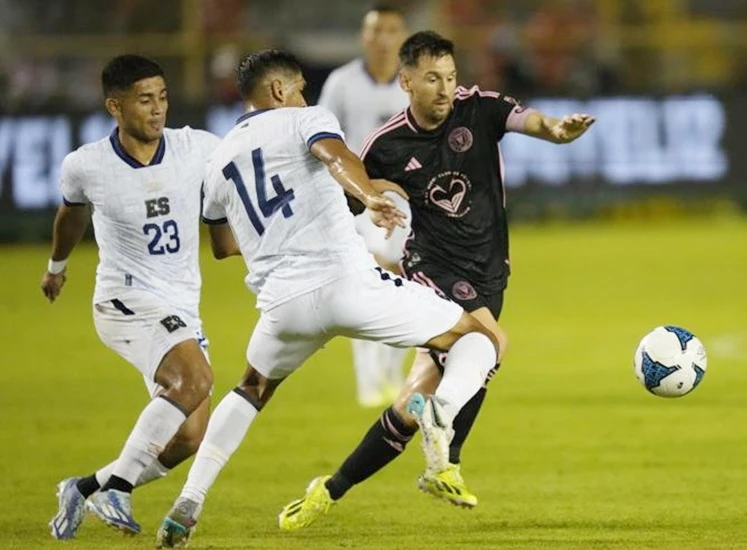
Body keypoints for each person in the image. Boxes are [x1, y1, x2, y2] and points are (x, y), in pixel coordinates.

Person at [154, 49, 500, 548]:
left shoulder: (218, 161)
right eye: (297, 89)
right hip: (348, 284)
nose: (303, 97)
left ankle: (189, 502)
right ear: (279, 91)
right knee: (477, 339)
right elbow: (334, 156)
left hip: (282, 306)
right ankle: (441, 411)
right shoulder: (305, 119)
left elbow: (223, 247)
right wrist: (368, 195)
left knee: (250, 389)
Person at [278, 30, 595, 529]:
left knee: (413, 401)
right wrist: (375, 197)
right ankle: (446, 460)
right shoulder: (385, 144)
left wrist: (557, 129)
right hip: (434, 266)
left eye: (450, 76)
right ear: (407, 82)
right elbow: (347, 195)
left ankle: (328, 490)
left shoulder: (478, 107)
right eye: (433, 78)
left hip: (490, 269)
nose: (446, 88)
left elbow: (529, 119)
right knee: (488, 342)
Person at [42, 54, 238, 539]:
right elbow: (72, 218)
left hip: (180, 306)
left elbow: (244, 165)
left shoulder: (197, 148)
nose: (158, 109)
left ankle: (85, 487)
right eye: (145, 99)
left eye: (163, 97)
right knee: (195, 379)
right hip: (124, 300)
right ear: (115, 105)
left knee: (190, 436)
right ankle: (120, 487)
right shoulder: (86, 165)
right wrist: (56, 267)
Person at [318, 3, 411, 407]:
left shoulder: (412, 84)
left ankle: (391, 375)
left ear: (402, 37)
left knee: (409, 288)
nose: (384, 38)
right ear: (365, 36)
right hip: (359, 201)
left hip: (409, 202)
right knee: (371, 279)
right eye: (377, 30)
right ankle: (368, 381)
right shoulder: (341, 83)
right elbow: (321, 142)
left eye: (392, 30)